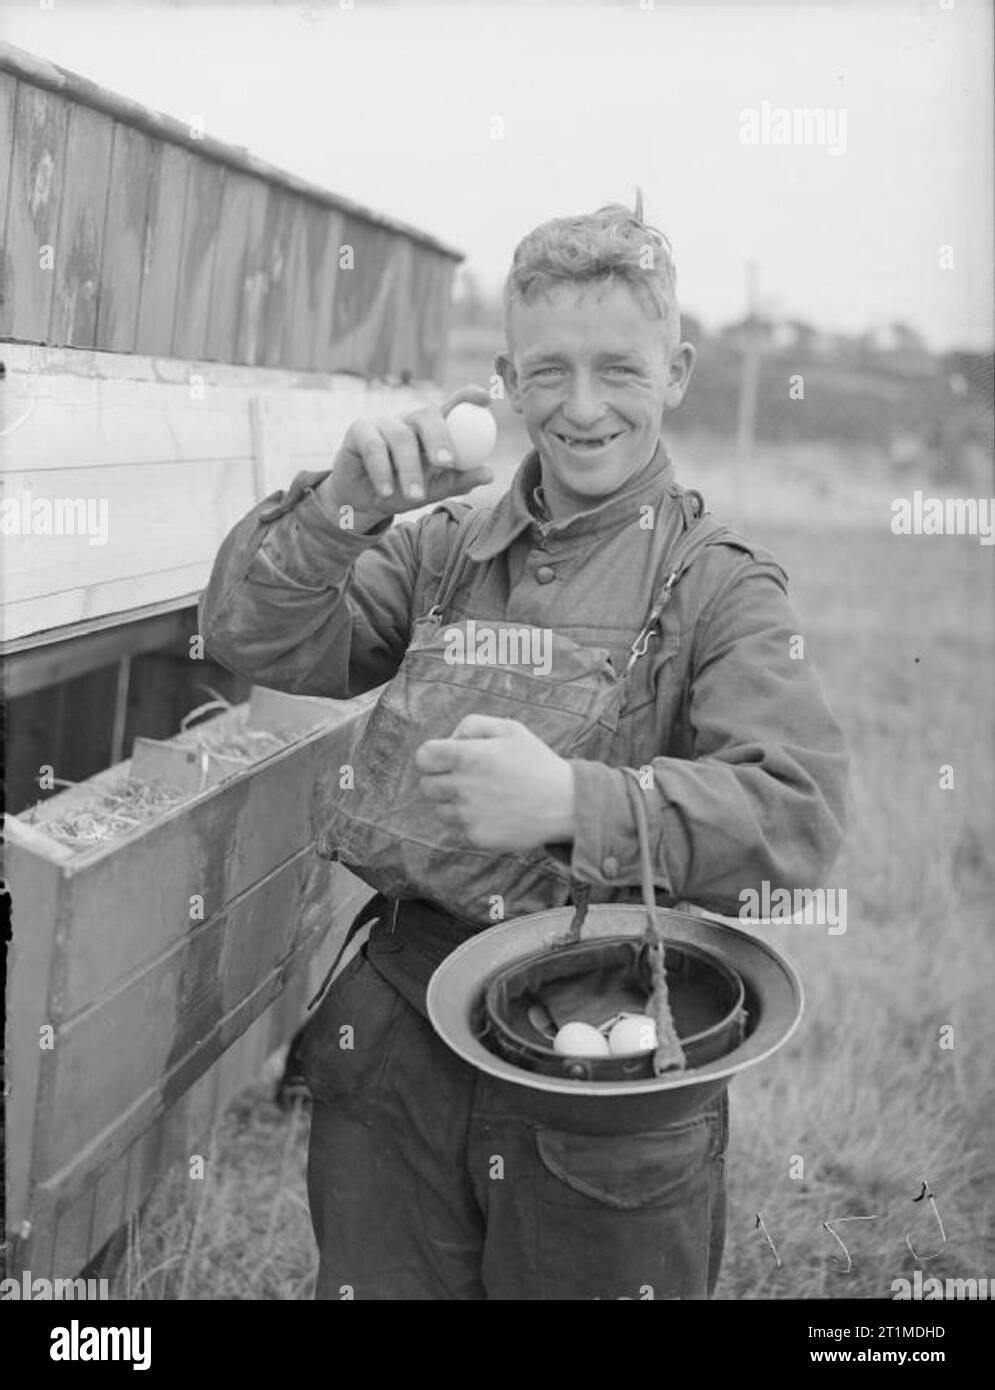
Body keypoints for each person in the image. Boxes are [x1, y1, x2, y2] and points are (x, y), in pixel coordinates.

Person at [199, 202, 848, 1300]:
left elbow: (796, 822)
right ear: (504, 378)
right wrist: (339, 509)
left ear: (677, 369)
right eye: (546, 372)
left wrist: (571, 800)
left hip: (603, 1062)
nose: (580, 407)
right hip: (399, 1037)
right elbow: (247, 635)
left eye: (618, 369)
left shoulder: (717, 585)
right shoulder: (443, 552)